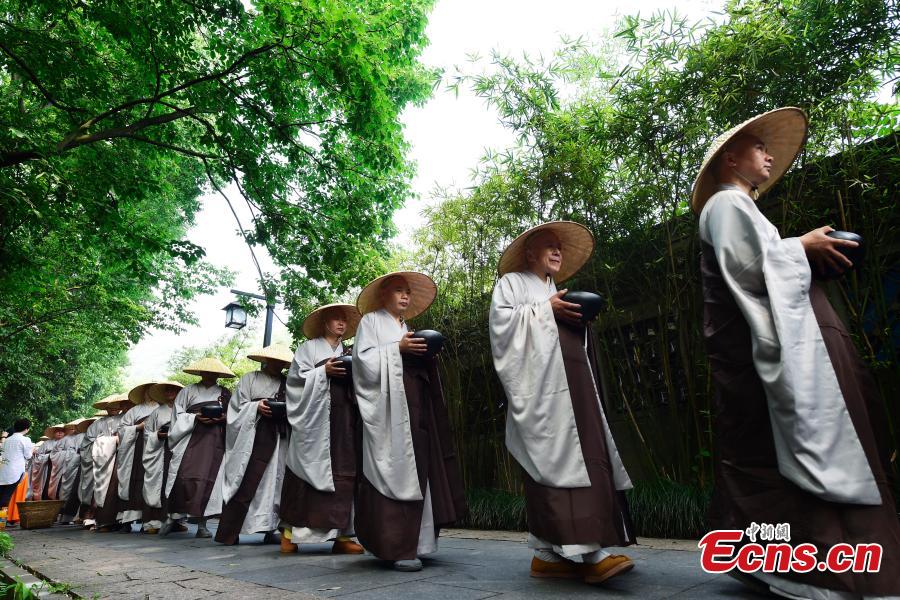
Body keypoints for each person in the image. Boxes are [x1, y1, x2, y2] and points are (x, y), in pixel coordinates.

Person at [694, 106, 900, 598]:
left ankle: (783, 562)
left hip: (783, 339)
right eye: (758, 146)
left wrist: (800, 252)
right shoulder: (725, 205)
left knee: (773, 447)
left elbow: (763, 266)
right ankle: (816, 570)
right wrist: (800, 247)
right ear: (730, 159)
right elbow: (746, 273)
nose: (767, 155)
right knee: (776, 449)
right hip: (755, 353)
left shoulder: (743, 206)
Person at [489, 221, 636, 584]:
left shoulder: (554, 287)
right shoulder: (511, 284)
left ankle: (546, 552)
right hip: (543, 391)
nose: (557, 251)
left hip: (573, 382)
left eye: (560, 247)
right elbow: (501, 328)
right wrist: (544, 311)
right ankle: (586, 552)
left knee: (587, 452)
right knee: (555, 456)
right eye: (548, 245)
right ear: (528, 253)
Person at [352, 272, 466, 572]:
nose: (405, 296)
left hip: (415, 402)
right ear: (383, 295)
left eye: (407, 292)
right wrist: (397, 350)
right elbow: (362, 364)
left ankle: (418, 542)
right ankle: (394, 546)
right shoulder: (371, 322)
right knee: (394, 466)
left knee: (418, 465)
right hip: (388, 411)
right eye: (398, 291)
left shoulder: (405, 326)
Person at [279, 304, 364, 555]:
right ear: (325, 322)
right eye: (336, 319)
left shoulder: (350, 350)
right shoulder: (308, 349)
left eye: (344, 320)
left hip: (344, 418)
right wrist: (322, 371)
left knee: (344, 473)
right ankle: (290, 534)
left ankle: (341, 536)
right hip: (314, 419)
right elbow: (294, 382)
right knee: (304, 472)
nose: (341, 323)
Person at [209, 344, 293, 546]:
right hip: (254, 434)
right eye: (274, 360)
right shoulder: (250, 378)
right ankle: (232, 530)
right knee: (246, 479)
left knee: (276, 482)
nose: (278, 364)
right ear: (265, 360)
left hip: (279, 437)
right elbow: (236, 407)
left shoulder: (287, 382)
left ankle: (269, 527)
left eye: (282, 361)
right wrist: (257, 406)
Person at [161, 357, 233, 539]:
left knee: (209, 481)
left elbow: (234, 414)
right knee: (181, 478)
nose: (210, 375)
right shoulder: (187, 391)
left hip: (215, 440)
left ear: (218, 374)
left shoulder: (225, 393)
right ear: (201, 372)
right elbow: (178, 415)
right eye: (207, 372)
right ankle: (173, 518)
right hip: (189, 439)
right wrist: (195, 418)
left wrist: (223, 418)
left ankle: (202, 524)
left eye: (214, 372)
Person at [115, 382, 159, 533]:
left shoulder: (163, 409)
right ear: (144, 393)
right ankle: (126, 520)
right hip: (136, 449)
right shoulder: (135, 410)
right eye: (148, 391)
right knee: (133, 480)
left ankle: (150, 521)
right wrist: (137, 428)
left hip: (156, 449)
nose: (150, 394)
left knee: (153, 481)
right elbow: (121, 429)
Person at [141, 381, 183, 534]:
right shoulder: (157, 412)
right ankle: (154, 522)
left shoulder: (183, 411)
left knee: (177, 484)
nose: (170, 392)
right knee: (160, 483)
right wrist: (157, 435)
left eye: (174, 390)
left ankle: (176, 521)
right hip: (160, 452)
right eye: (168, 390)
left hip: (178, 450)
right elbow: (147, 433)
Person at [92, 396, 131, 532]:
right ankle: (105, 522)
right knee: (109, 488)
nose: (114, 409)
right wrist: (111, 440)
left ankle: (124, 521)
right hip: (107, 460)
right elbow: (89, 441)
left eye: (117, 406)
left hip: (125, 456)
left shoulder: (127, 418)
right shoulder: (98, 423)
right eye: (111, 406)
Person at [57, 419, 87, 523]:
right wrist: (77, 455)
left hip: (88, 463)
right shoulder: (76, 437)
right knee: (73, 490)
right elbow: (69, 451)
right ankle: (68, 517)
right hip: (76, 464)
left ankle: (81, 517)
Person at [0, 419, 33, 508]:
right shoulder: (25, 439)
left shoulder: (6, 440)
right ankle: (2, 520)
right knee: (6, 497)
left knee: (2, 494)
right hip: (15, 472)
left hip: (3, 471)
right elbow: (28, 456)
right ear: (27, 429)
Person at [30, 424, 64, 499]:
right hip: (48, 466)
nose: (60, 433)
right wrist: (48, 456)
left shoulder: (67, 443)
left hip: (61, 467)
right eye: (57, 431)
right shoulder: (47, 443)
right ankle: (45, 496)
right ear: (54, 433)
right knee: (47, 482)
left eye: (62, 431)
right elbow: (38, 455)